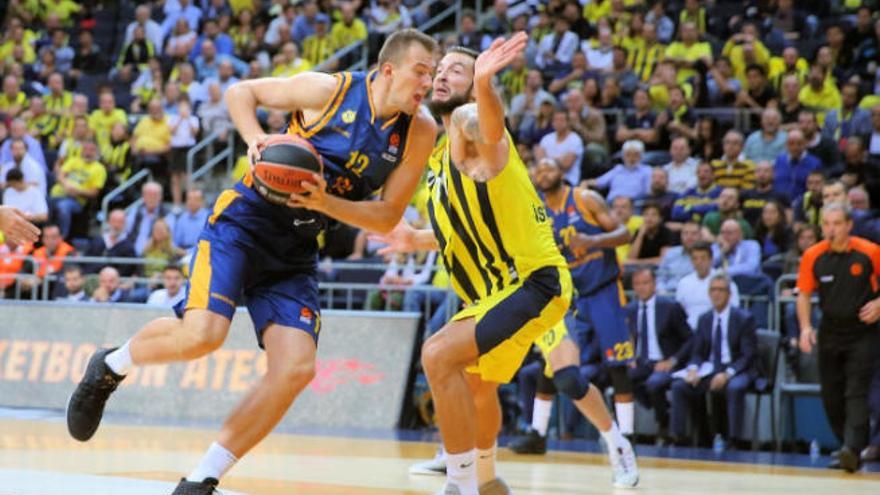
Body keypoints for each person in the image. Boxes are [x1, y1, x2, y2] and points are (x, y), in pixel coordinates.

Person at [65, 29, 439, 495]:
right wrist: (256, 137)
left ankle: (202, 479)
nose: (428, 83)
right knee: (203, 335)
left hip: (297, 249)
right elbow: (242, 91)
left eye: (433, 74)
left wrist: (322, 203)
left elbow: (385, 216)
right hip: (243, 222)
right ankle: (110, 365)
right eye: (421, 71)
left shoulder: (421, 131)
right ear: (389, 69)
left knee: (296, 369)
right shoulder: (331, 90)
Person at [376, 36, 635, 494]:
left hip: (535, 282)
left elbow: (489, 128)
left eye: (455, 70)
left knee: (443, 356)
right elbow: (464, 229)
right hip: (497, 294)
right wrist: (412, 237)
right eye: (439, 69)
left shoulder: (469, 122)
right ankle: (487, 478)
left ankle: (462, 483)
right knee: (478, 388)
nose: (441, 74)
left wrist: (484, 84)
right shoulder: (439, 160)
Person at [502, 157, 637, 480]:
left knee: (617, 363)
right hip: (568, 296)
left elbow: (623, 234)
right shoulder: (537, 211)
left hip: (602, 289)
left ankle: (626, 437)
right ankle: (537, 433)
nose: (543, 173)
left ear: (561, 172)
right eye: (539, 169)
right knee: (553, 363)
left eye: (549, 168)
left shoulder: (585, 199)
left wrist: (593, 241)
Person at [797, 203, 880, 472]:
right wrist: (805, 327)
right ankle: (848, 444)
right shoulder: (813, 255)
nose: (831, 229)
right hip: (830, 331)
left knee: (855, 391)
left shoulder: (869, 252)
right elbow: (805, 294)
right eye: (826, 224)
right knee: (831, 394)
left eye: (836, 224)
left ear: (848, 225)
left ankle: (851, 449)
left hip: (862, 331)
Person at [670, 274, 757, 448]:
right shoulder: (705, 319)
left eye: (721, 290)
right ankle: (680, 438)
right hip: (710, 369)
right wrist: (693, 368)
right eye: (713, 290)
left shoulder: (743, 318)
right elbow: (697, 352)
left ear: (729, 294)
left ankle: (734, 441)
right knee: (680, 386)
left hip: (737, 369)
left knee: (734, 387)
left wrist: (727, 374)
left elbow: (748, 356)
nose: (716, 294)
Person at [627, 268, 693, 444]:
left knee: (655, 383)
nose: (641, 288)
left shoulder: (670, 307)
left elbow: (690, 339)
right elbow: (627, 337)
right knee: (621, 378)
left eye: (645, 283)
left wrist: (672, 361)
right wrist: (629, 357)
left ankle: (663, 424)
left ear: (654, 284)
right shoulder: (630, 309)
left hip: (666, 362)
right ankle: (628, 428)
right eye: (637, 284)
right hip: (642, 362)